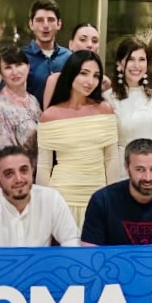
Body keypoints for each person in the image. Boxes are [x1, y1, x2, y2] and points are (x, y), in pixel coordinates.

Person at [36, 50, 121, 229]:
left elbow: (111, 160)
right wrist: (43, 206)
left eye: (96, 76)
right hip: (62, 196)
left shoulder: (105, 110)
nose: (90, 81)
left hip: (98, 194)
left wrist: (113, 199)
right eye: (84, 73)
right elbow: (44, 166)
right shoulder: (49, 116)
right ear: (71, 72)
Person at [105, 36, 152, 181]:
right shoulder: (109, 99)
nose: (137, 65)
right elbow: (108, 152)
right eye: (131, 59)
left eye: (141, 59)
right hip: (124, 173)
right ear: (119, 63)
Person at [0, 147, 81, 247]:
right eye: (9, 174)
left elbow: (71, 240)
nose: (18, 179)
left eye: (24, 170)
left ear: (32, 171)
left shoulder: (51, 199)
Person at [42, 22, 111, 107]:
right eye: (83, 39)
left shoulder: (104, 82)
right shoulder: (55, 80)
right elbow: (48, 113)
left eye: (94, 41)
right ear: (71, 44)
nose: (89, 45)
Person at [0, 44, 41, 154]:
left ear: (28, 66)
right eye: (8, 67)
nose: (15, 72)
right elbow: (4, 153)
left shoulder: (33, 100)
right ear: (0, 74)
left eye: (19, 65)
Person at [23, 0, 71, 103]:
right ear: (31, 24)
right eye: (40, 20)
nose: (45, 25)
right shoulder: (21, 58)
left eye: (51, 20)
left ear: (59, 24)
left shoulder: (69, 57)